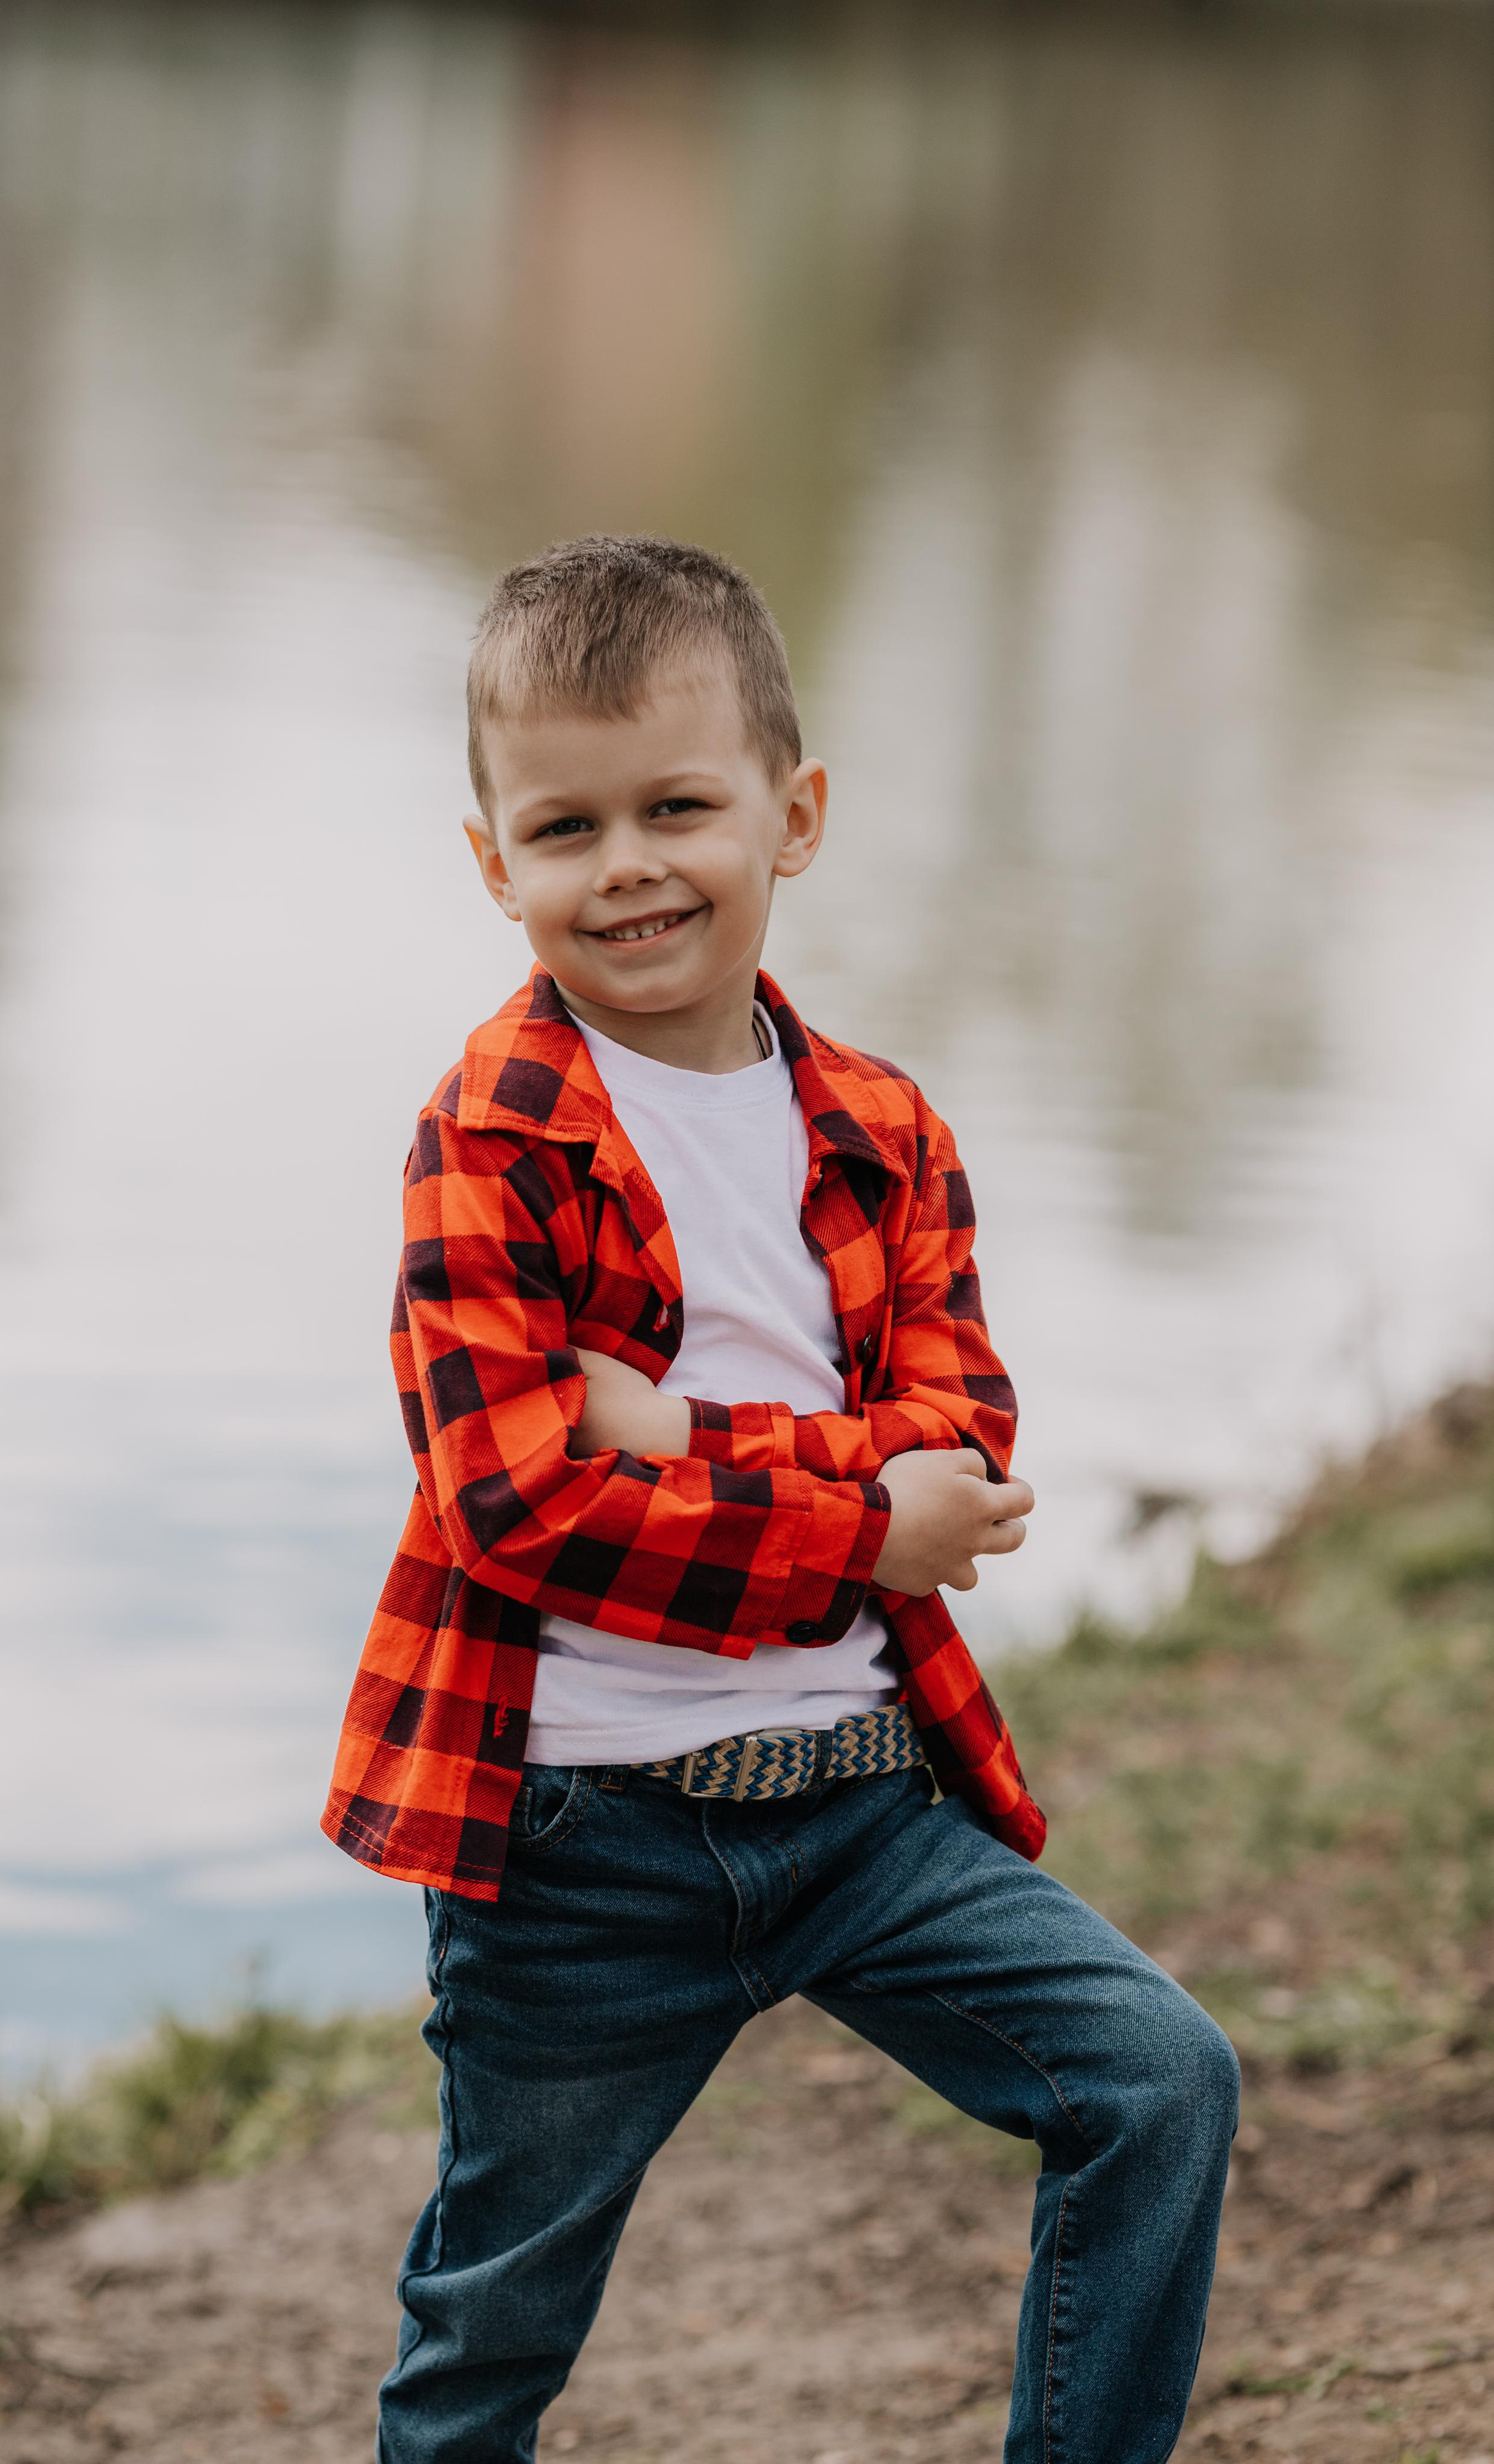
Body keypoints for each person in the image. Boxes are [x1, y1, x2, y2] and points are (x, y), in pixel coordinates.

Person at [322, 535, 1239, 2464]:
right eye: (566, 826)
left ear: (792, 815)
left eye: (680, 805)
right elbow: (518, 1508)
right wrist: (847, 1516)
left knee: (1158, 2082)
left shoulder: (885, 1130)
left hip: (860, 1809)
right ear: (496, 863)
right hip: (583, 1847)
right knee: (491, 2324)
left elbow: (959, 1453)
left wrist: (681, 1442)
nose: (631, 865)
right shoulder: (489, 1135)